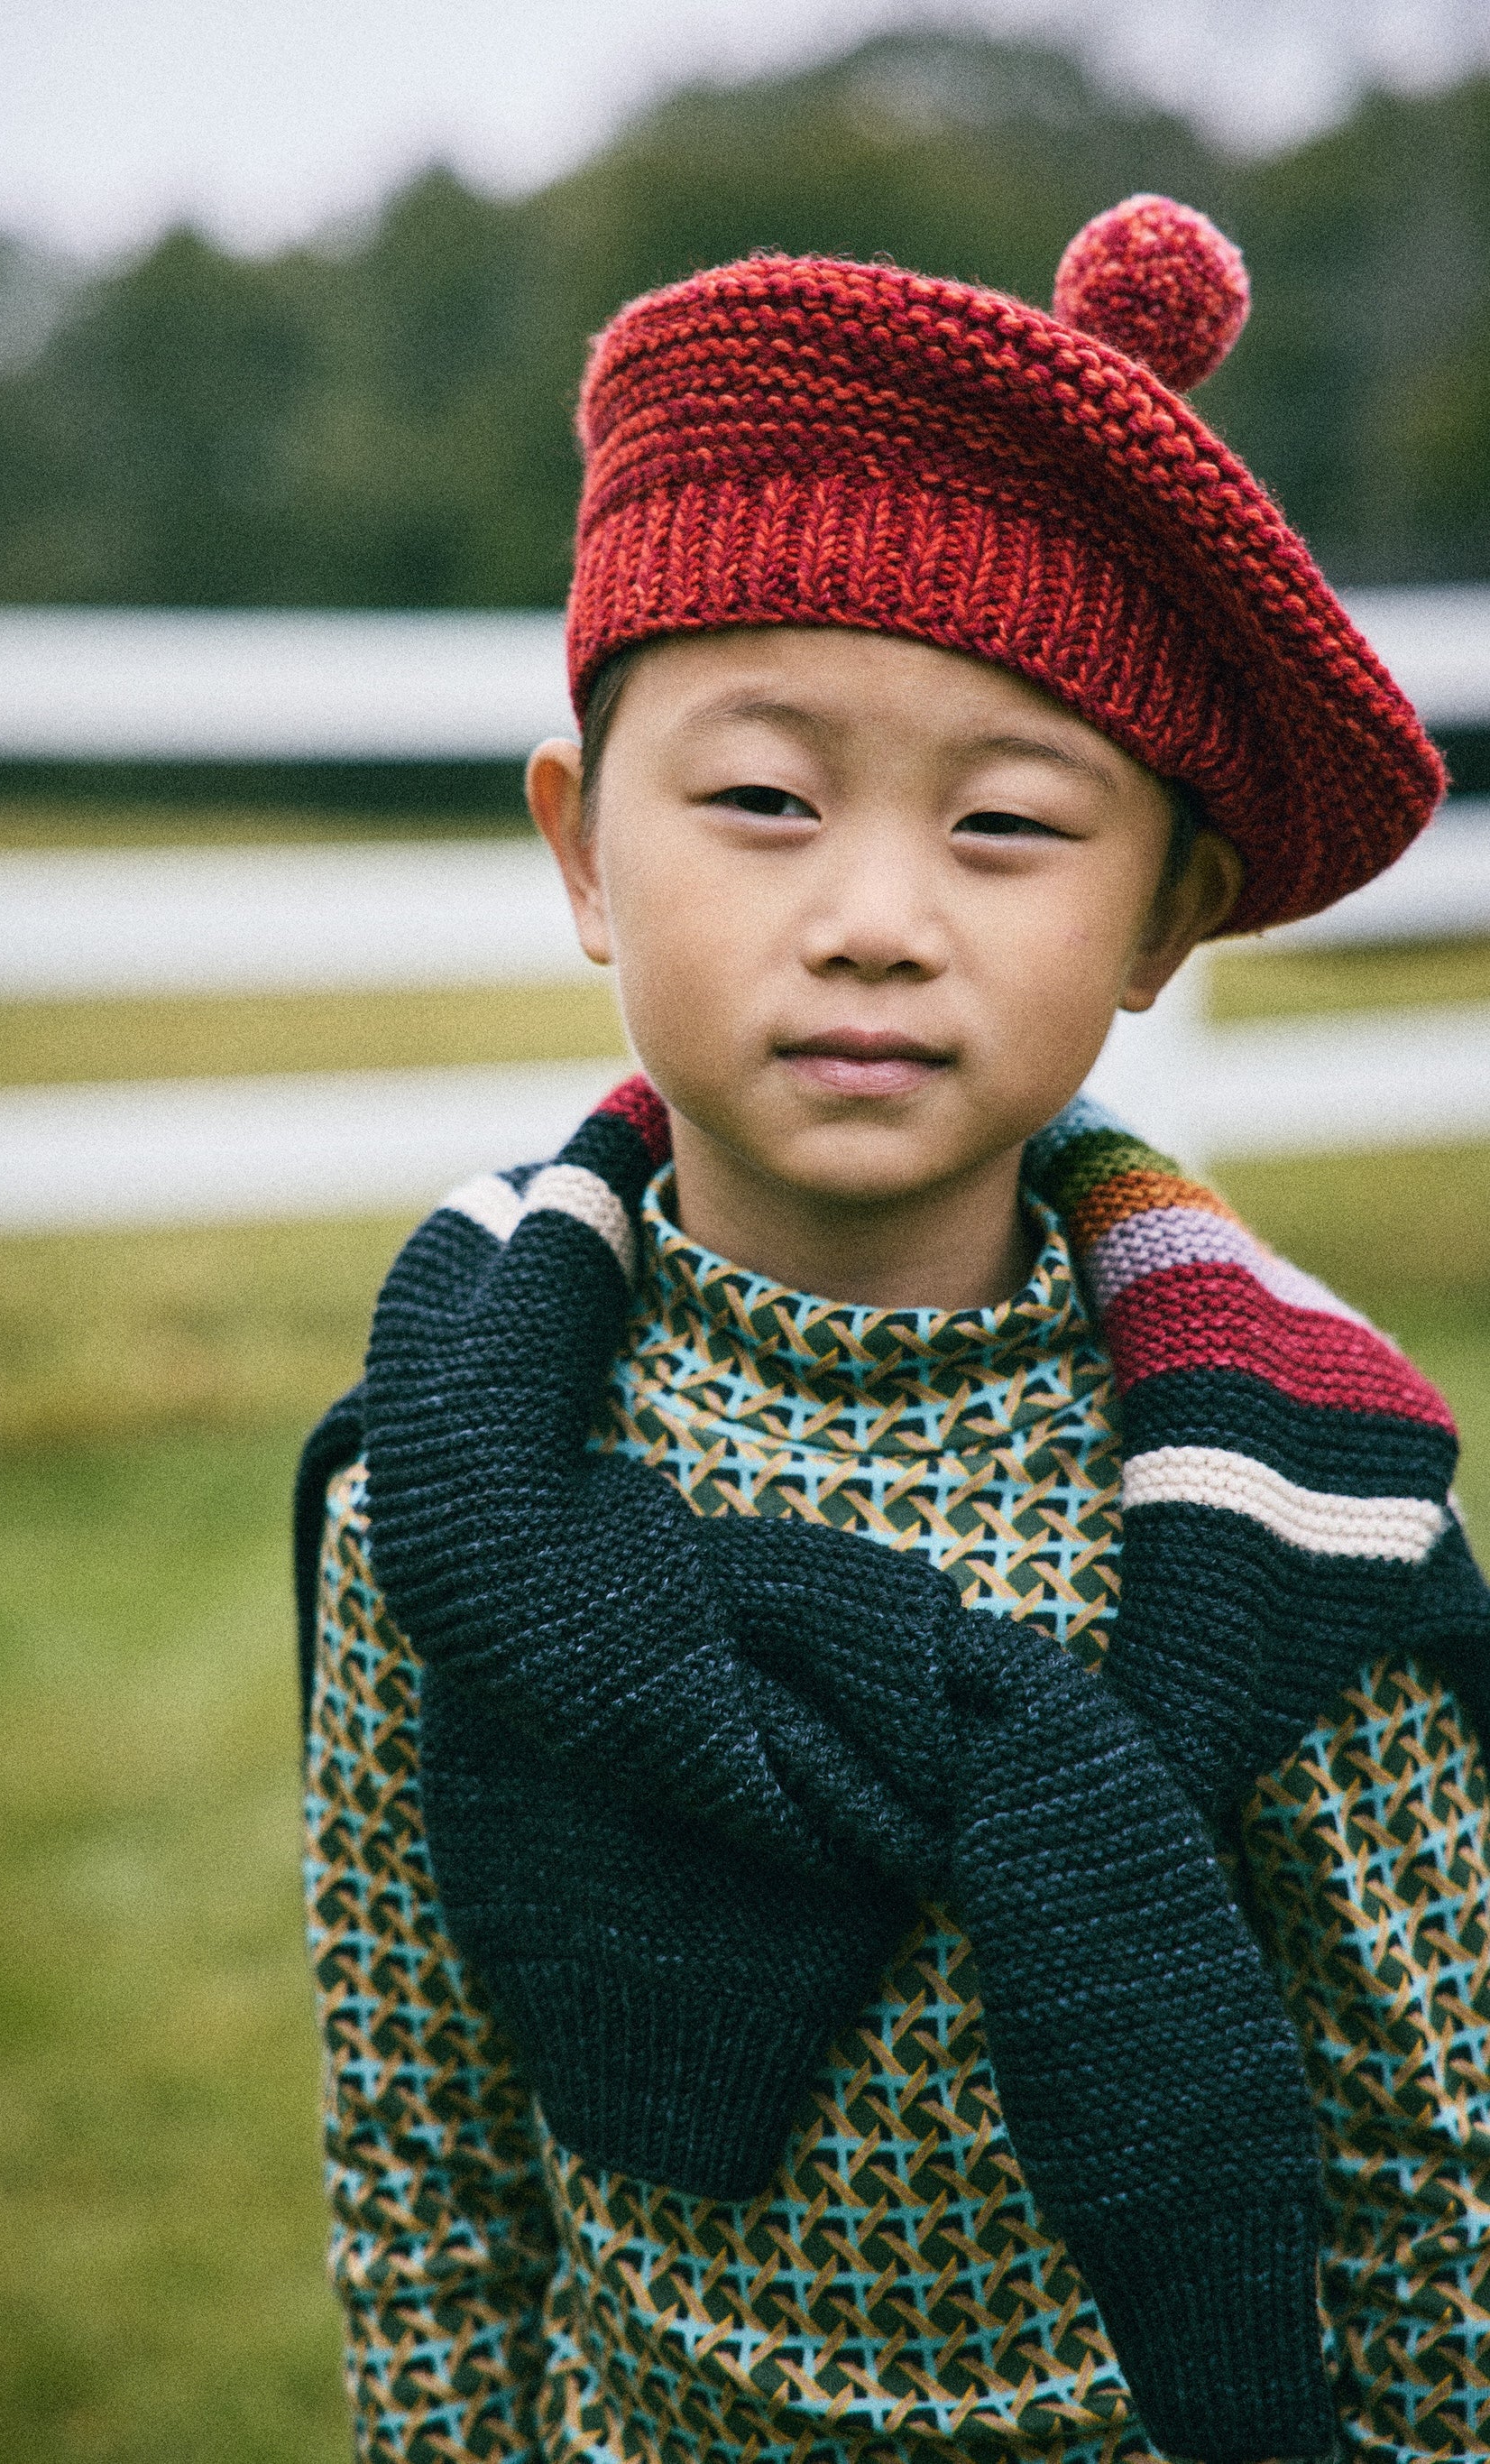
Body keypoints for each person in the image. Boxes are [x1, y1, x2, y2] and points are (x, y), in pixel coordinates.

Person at [294, 196, 1490, 2464]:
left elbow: (1431, 2174)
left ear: (1165, 913)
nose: (868, 920)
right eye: (758, 799)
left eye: (1008, 824)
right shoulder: (445, 1485)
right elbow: (422, 2159)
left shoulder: (1281, 1515)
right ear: (578, 853)